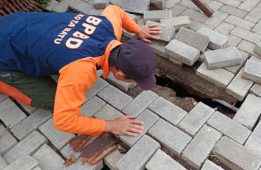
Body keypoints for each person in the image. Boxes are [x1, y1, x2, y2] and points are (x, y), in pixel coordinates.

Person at [0, 5, 161, 137]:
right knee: (55, 102)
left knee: (60, 59)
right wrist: (110, 125)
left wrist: (137, 29)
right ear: (119, 73)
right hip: (4, 52)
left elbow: (115, 10)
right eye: (133, 79)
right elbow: (63, 121)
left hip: (14, 23)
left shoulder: (109, 27)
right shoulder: (81, 70)